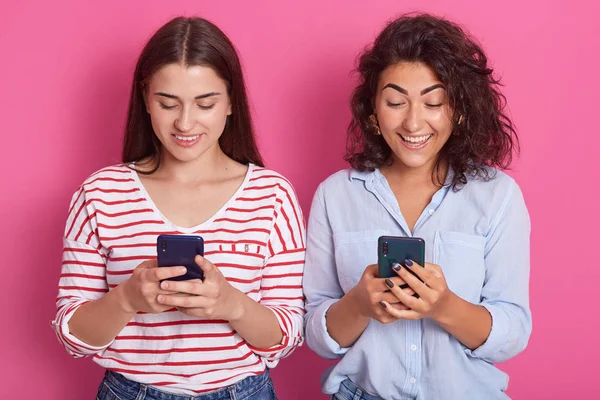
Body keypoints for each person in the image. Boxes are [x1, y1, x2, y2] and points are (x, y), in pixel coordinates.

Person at [52, 16, 305, 400]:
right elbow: (74, 338)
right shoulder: (100, 193)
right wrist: (126, 299)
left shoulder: (272, 195)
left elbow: (286, 337)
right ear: (145, 98)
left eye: (205, 103)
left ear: (232, 101)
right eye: (167, 103)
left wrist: (231, 305)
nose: (185, 123)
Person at [303, 13, 531, 400]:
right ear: (373, 111)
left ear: (458, 110)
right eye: (395, 101)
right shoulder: (335, 195)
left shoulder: (498, 196)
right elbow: (317, 335)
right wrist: (358, 304)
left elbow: (512, 332)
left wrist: (444, 307)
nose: (413, 123)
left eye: (433, 102)